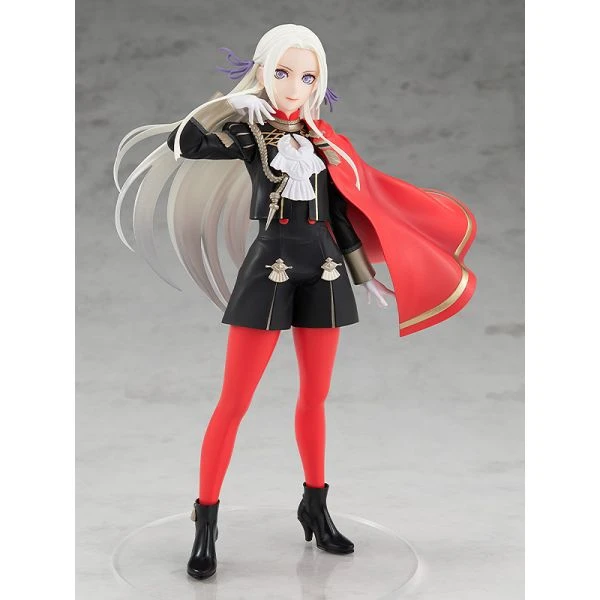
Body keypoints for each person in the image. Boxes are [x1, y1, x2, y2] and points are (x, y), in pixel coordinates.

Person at [114, 23, 477, 580]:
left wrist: (365, 275)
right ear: (262, 72)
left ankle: (316, 506)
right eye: (282, 73)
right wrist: (228, 105)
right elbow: (183, 144)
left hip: (325, 269)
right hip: (270, 267)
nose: (293, 87)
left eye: (307, 77)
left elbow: (339, 215)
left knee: (315, 397)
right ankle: (205, 520)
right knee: (234, 401)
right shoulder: (249, 134)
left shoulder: (323, 142)